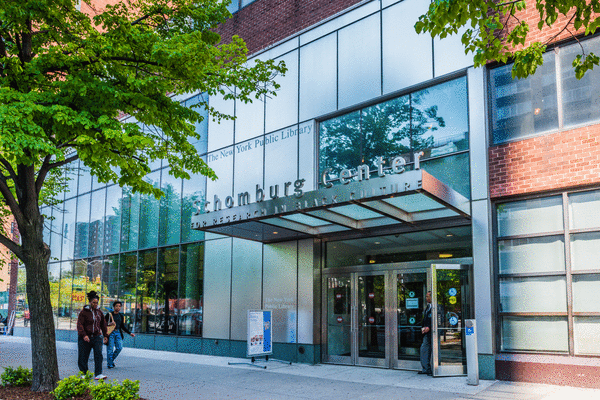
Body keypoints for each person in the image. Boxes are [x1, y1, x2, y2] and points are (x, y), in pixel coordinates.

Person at [76, 291, 108, 380]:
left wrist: (106, 335)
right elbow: (79, 325)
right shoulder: (83, 312)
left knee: (99, 355)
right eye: (93, 302)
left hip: (97, 337)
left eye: (96, 302)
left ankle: (98, 374)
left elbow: (103, 324)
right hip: (85, 337)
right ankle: (84, 373)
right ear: (90, 302)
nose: (95, 304)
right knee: (83, 356)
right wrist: (84, 335)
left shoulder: (99, 312)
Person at [105, 301, 135, 369]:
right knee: (110, 349)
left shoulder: (121, 316)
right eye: (116, 306)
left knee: (119, 347)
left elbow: (122, 326)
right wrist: (109, 324)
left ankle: (110, 361)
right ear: (114, 307)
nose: (118, 307)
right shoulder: (109, 315)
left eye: (119, 306)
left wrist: (130, 333)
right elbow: (103, 324)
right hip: (110, 333)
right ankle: (110, 364)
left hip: (118, 332)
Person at [419, 291, 433, 376]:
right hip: (426, 333)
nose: (426, 298)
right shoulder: (428, 307)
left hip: (433, 333)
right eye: (426, 296)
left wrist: (430, 327)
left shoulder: (436, 307)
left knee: (433, 350)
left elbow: (439, 319)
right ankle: (426, 368)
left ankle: (433, 369)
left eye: (428, 296)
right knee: (424, 349)